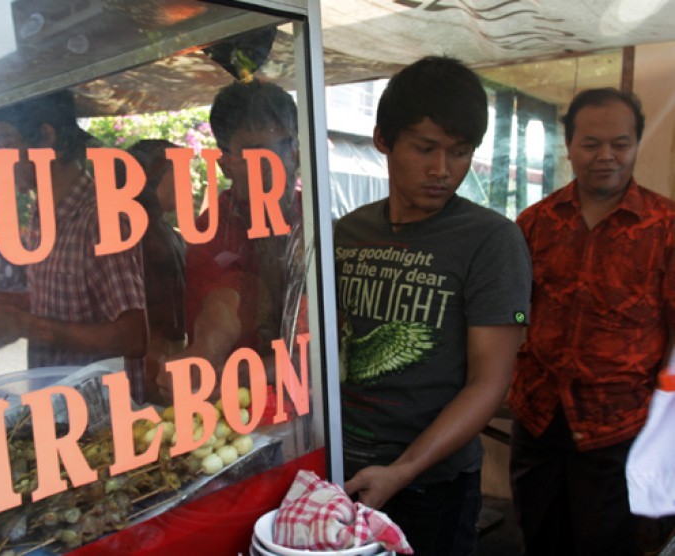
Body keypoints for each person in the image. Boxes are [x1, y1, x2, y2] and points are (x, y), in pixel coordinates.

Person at [334, 56, 532, 555]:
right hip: (338, 467)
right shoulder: (346, 232)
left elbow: (489, 383)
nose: (443, 170)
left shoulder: (491, 241)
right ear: (383, 139)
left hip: (432, 487)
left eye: (460, 153)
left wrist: (401, 470)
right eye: (425, 148)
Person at [509, 88, 675, 556]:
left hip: (621, 426)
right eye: (591, 143)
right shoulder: (534, 222)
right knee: (540, 538)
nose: (606, 156)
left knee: (608, 545)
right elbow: (515, 310)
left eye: (620, 144)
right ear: (569, 146)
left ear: (637, 144)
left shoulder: (665, 226)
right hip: (537, 415)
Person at [0, 91, 148, 400]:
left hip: (104, 417)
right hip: (58, 408)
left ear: (46, 137)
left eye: (6, 142)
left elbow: (133, 337)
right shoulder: (43, 216)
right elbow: (51, 303)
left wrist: (28, 326)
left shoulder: (100, 219)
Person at [156, 78, 303, 402]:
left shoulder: (313, 216)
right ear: (225, 163)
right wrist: (203, 355)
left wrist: (243, 373)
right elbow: (224, 302)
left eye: (286, 147)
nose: (280, 163)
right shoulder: (213, 227)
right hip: (240, 407)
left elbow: (320, 342)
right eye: (256, 155)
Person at [120, 139, 187, 403]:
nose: (187, 184)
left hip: (168, 353)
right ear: (151, 178)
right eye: (178, 174)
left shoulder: (164, 231)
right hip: (150, 359)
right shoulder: (132, 235)